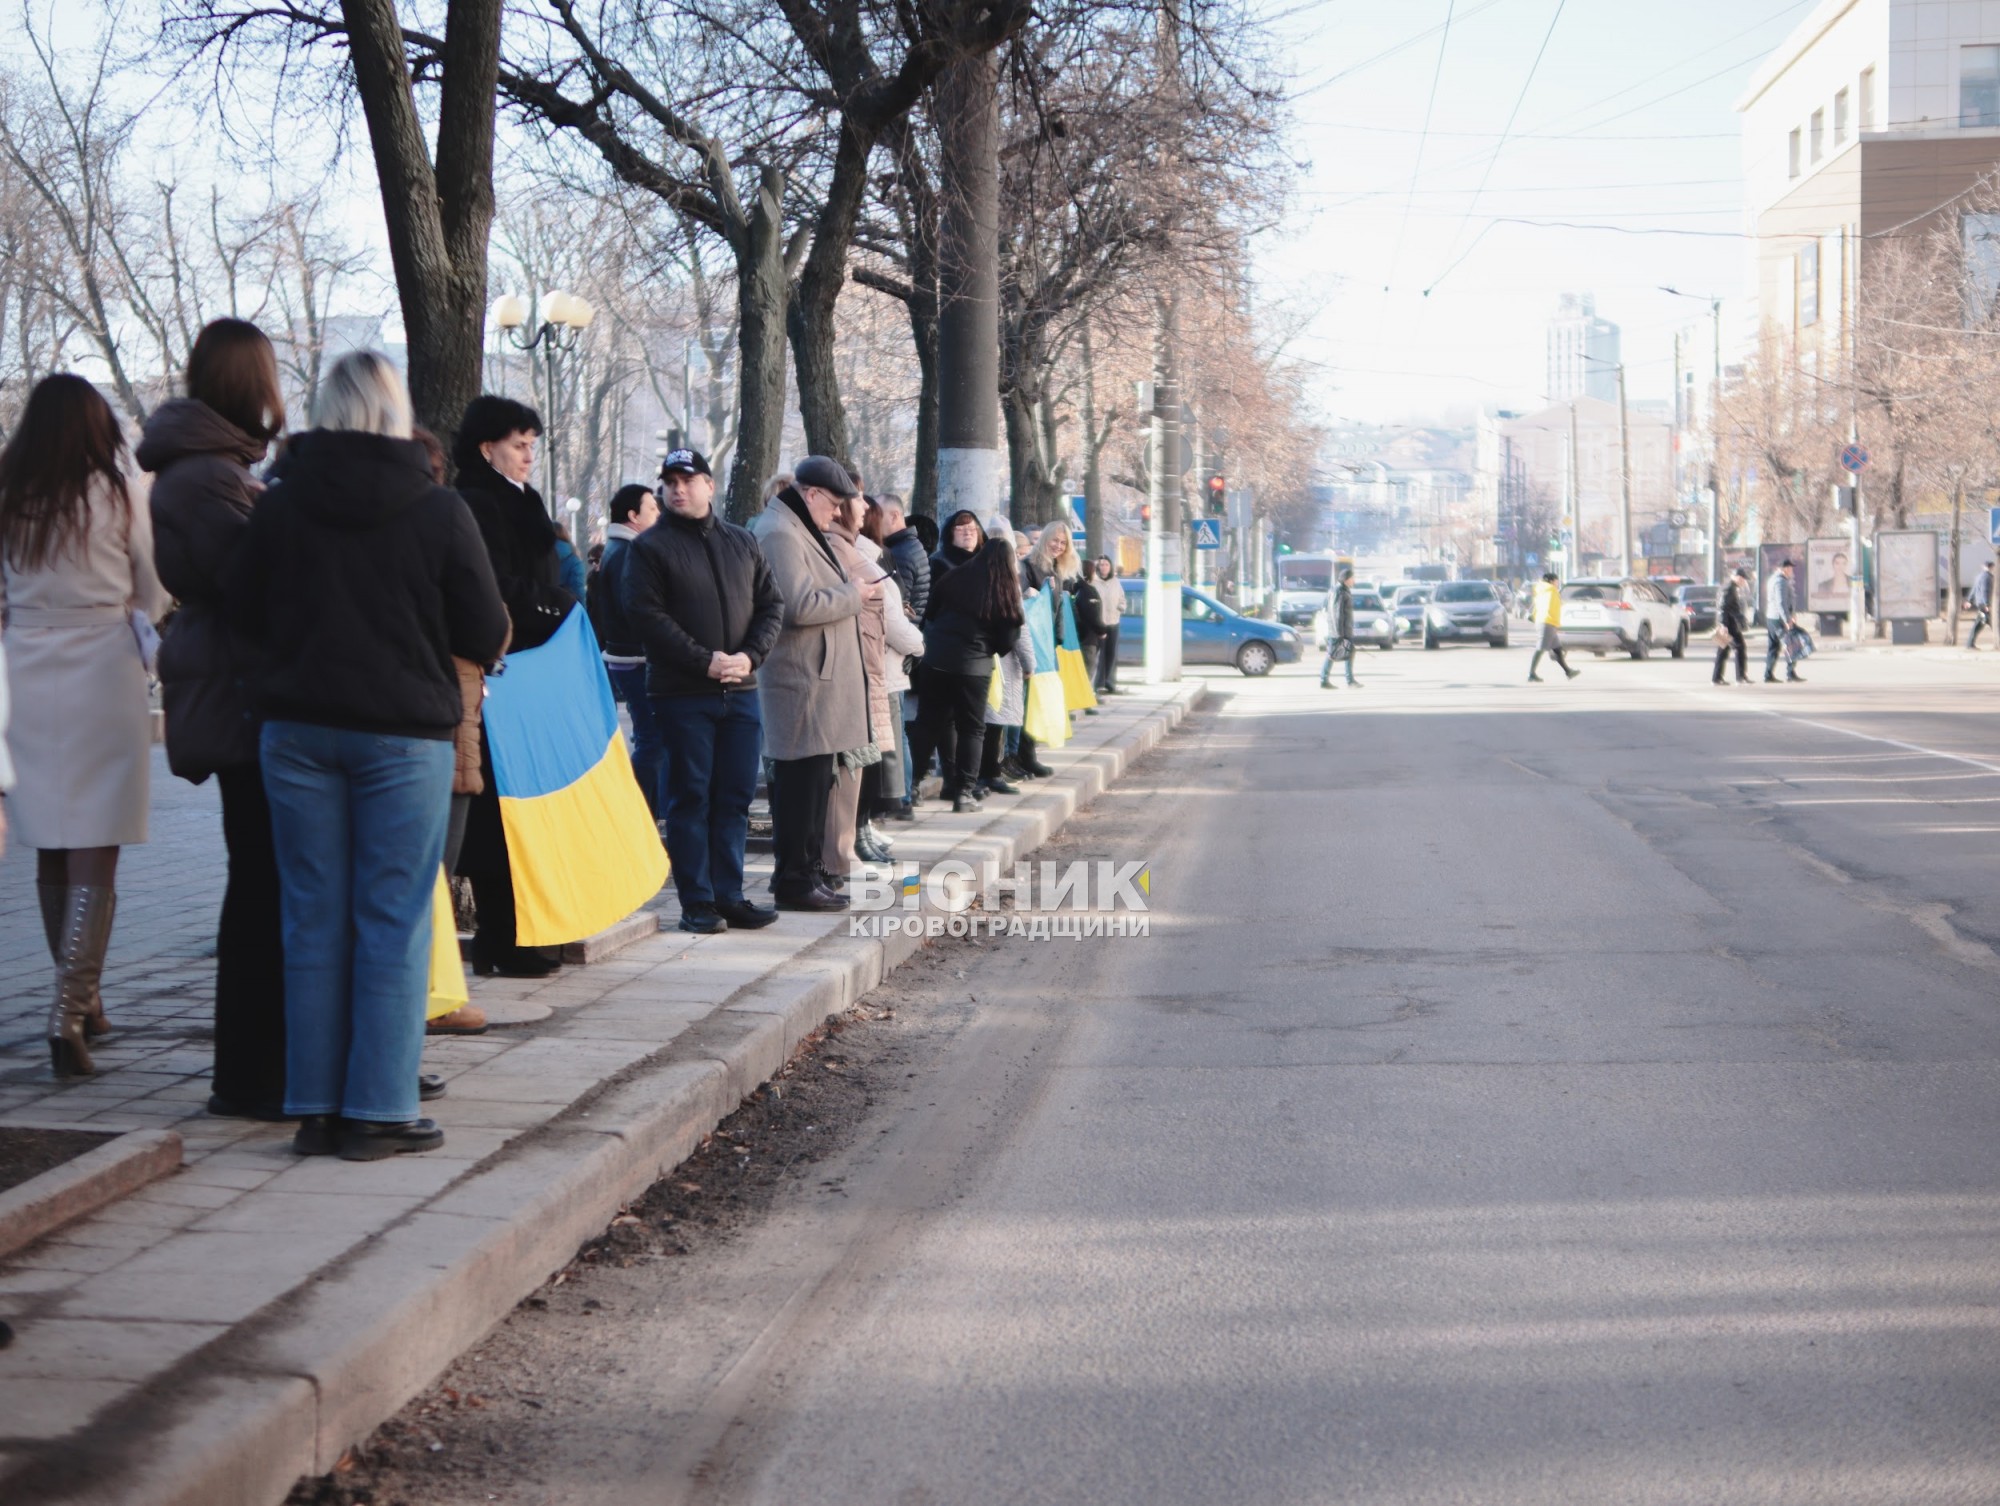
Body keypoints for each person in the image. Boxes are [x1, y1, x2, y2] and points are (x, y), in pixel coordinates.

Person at [228, 351, 508, 1160]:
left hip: (296, 732)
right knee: (392, 916)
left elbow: (240, 608)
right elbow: (483, 629)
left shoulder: (276, 507)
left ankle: (316, 1107)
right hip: (403, 734)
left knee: (310, 917)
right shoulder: (438, 509)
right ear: (395, 414)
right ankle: (380, 1110)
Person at [141, 317, 293, 1115]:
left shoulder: (214, 469)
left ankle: (257, 1068)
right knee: (259, 886)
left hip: (238, 683)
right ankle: (248, 1075)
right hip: (241, 694)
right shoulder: (207, 477)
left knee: (260, 881)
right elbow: (253, 579)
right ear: (250, 384)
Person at [2, 374, 168, 1077]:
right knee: (96, 842)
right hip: (102, 665)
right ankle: (68, 1011)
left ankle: (87, 1000)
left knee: (48, 837)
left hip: (24, 670)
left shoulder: (9, 495)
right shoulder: (118, 492)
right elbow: (152, 589)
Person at [619, 449, 783, 932]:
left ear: (710, 486)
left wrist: (748, 657)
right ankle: (697, 901)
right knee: (690, 797)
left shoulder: (742, 542)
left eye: (687, 480)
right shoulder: (649, 548)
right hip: (681, 694)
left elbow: (772, 606)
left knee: (733, 797)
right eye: (669, 481)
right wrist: (704, 661)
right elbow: (647, 616)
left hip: (741, 690)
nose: (677, 489)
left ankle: (729, 894)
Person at [452, 396, 573, 977]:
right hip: (502, 669)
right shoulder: (475, 501)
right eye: (518, 445)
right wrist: (558, 606)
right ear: (486, 448)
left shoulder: (526, 500)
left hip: (535, 671)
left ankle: (527, 935)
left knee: (529, 805)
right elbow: (494, 585)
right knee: (498, 813)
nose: (529, 455)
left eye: (532, 445)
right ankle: (504, 935)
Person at [750, 459, 877, 909]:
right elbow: (797, 606)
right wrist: (853, 596)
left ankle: (804, 874)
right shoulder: (781, 532)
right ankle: (794, 882)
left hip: (814, 681)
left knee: (811, 785)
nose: (836, 515)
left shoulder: (794, 527)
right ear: (812, 495)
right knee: (799, 789)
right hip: (800, 682)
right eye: (834, 505)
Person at [914, 529, 1024, 813]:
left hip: (936, 659)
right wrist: (987, 649)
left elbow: (931, 613)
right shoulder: (1005, 589)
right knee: (972, 729)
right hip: (974, 667)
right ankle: (964, 793)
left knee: (929, 723)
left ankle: (910, 788)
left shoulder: (954, 577)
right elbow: (1008, 639)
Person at [825, 491, 894, 877]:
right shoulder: (838, 546)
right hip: (851, 669)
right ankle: (838, 855)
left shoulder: (852, 547)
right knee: (847, 766)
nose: (866, 506)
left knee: (856, 766)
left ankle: (846, 849)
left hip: (866, 668)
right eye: (856, 497)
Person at [591, 482, 666, 820]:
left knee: (651, 737)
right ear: (633, 516)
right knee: (652, 740)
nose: (658, 514)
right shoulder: (626, 553)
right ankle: (640, 814)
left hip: (628, 657)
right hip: (635, 659)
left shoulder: (619, 549)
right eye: (652, 508)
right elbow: (634, 611)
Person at [861, 498, 924, 837]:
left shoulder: (890, 557)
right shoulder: (875, 562)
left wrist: (914, 639)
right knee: (890, 742)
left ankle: (895, 800)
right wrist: (918, 643)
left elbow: (897, 615)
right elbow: (896, 619)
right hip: (887, 666)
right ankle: (893, 801)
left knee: (892, 741)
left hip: (888, 665)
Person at [874, 493, 931, 623]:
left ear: (894, 516)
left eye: (877, 514)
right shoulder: (908, 545)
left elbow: (897, 601)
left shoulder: (900, 552)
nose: (872, 520)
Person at [1528, 572, 1579, 683]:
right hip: (1547, 622)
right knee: (1540, 648)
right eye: (1557, 581)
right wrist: (1555, 624)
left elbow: (1538, 606)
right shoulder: (1551, 591)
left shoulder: (1542, 591)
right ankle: (1531, 674)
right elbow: (1552, 608)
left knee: (1557, 649)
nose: (1557, 583)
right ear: (1551, 581)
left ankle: (1568, 671)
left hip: (1544, 621)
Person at [1764, 558, 1803, 683]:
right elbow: (1781, 602)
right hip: (1779, 619)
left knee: (1773, 647)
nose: (1792, 571)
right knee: (1791, 645)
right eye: (1790, 568)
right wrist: (1787, 619)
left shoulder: (1773, 579)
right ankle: (1790, 673)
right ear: (1784, 569)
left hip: (1772, 617)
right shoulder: (1781, 582)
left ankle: (1768, 674)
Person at [1090, 556, 1125, 694]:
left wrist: (1121, 607)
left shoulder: (1115, 582)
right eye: (1101, 564)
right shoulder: (1094, 582)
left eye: (1106, 565)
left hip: (1113, 622)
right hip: (1099, 623)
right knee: (1099, 654)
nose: (1104, 567)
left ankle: (1110, 683)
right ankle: (1098, 684)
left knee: (1111, 654)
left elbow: (1122, 598)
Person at [1713, 568, 1752, 686]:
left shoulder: (1731, 587)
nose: (1743, 581)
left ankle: (1717, 678)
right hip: (1729, 624)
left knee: (1723, 649)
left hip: (1731, 623)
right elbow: (1722, 608)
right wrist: (1723, 625)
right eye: (1743, 579)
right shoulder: (1729, 588)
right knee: (1739, 647)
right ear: (1737, 577)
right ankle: (1740, 677)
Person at [1320, 568, 1358, 689]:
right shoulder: (1339, 591)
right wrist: (1339, 633)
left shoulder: (1342, 590)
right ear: (1346, 579)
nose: (1354, 580)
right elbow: (1336, 613)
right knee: (1332, 654)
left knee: (1347, 653)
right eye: (1352, 578)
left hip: (1343, 630)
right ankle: (1325, 679)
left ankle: (1349, 680)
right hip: (1339, 631)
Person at [1969, 561, 1994, 649]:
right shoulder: (1987, 577)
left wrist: (1970, 600)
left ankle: (1970, 644)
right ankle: (1969, 644)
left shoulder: (1979, 576)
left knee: (1982, 623)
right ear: (1991, 567)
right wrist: (1987, 604)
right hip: (1984, 604)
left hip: (1980, 603)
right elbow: (1985, 591)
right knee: (1992, 623)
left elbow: (1974, 589)